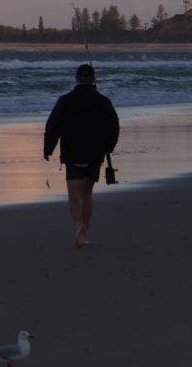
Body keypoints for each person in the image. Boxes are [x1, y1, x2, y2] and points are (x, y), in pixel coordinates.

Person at [43, 63, 119, 248]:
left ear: (77, 79)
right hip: (95, 153)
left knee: (73, 196)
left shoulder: (65, 100)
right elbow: (113, 127)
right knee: (86, 194)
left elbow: (53, 126)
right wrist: (109, 147)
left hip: (72, 152)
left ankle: (79, 225)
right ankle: (83, 234)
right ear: (93, 79)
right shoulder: (103, 101)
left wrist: (48, 148)